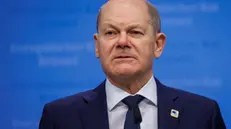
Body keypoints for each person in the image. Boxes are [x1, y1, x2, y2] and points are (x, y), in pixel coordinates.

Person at [39, 0, 226, 129]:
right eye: (111, 33)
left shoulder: (202, 114)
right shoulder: (60, 117)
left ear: (158, 44)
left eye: (135, 32)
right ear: (97, 46)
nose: (122, 41)